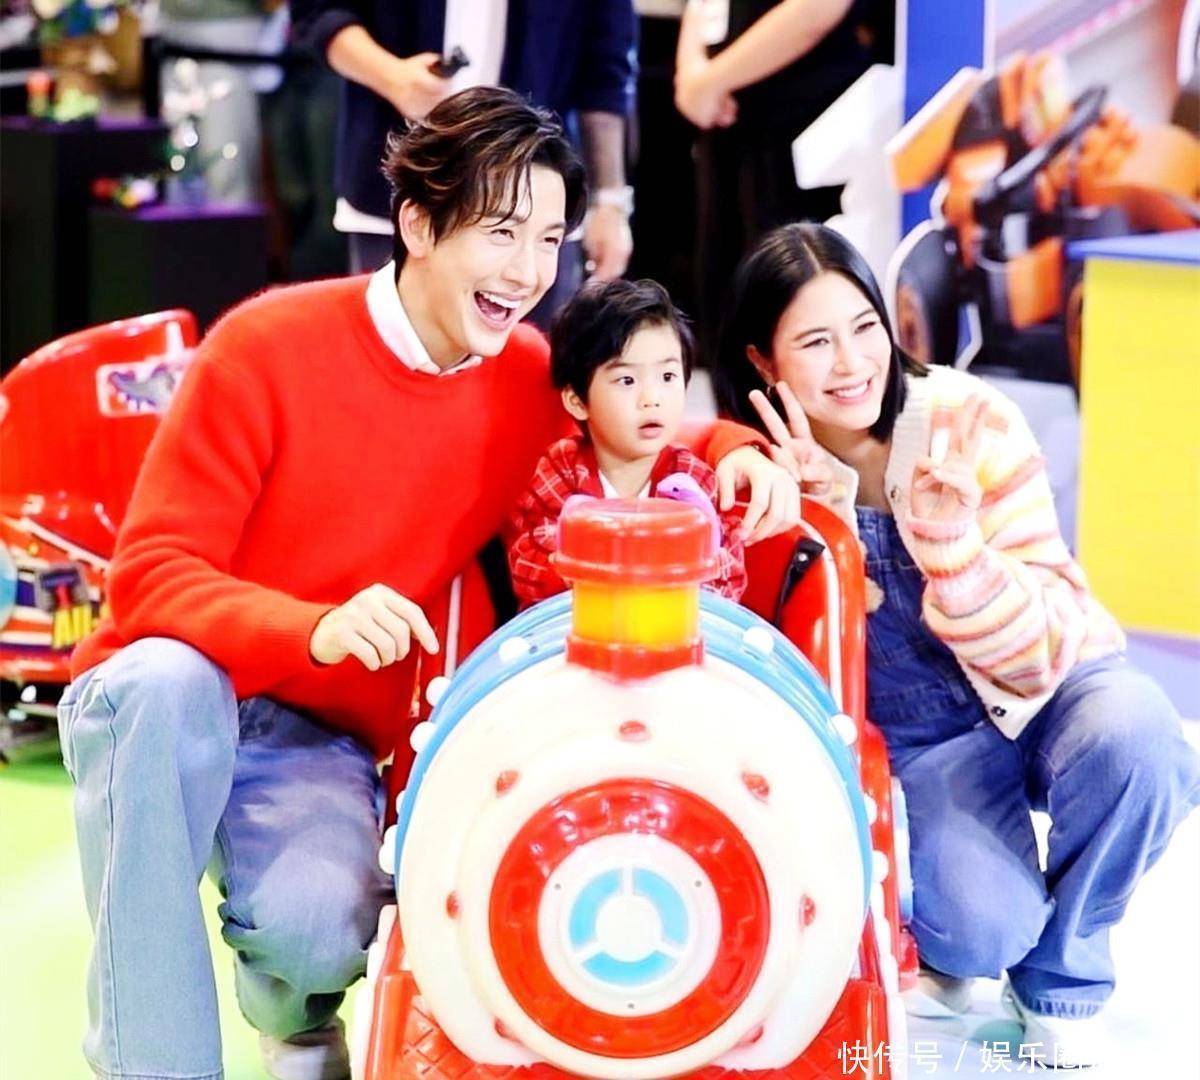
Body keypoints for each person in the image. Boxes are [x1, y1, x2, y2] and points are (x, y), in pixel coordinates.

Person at [58, 86, 795, 1080]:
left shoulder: (524, 377)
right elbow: (148, 576)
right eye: (502, 233)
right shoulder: (263, 346)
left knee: (321, 932)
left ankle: (294, 1014)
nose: (528, 271)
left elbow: (634, 422)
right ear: (415, 224)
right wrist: (312, 627)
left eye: (549, 240)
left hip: (314, 730)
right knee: (162, 683)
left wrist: (738, 446)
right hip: (175, 691)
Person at [711, 221, 1200, 1069]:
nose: (853, 363)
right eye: (816, 343)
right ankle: (979, 932)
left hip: (1049, 682)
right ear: (763, 361)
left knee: (1143, 738)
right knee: (980, 933)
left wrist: (954, 553)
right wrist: (825, 523)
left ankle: (1062, 976)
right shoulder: (767, 473)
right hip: (929, 742)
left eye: (865, 327)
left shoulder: (969, 419)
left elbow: (1040, 648)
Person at [290, 0, 637, 320]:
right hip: (398, 185)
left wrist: (609, 200)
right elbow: (317, 10)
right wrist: (391, 76)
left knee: (530, 353)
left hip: (538, 191)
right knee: (392, 348)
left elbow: (606, 66)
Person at [508, 277, 747, 607]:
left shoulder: (693, 480)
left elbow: (729, 577)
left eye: (667, 377)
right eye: (627, 380)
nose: (652, 399)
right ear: (577, 400)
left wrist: (694, 555)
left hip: (670, 628)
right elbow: (529, 565)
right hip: (576, 629)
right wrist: (639, 562)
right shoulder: (561, 470)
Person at [674, 0, 890, 353]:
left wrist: (710, 81)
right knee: (727, 311)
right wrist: (691, 73)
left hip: (807, 128)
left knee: (803, 309)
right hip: (727, 129)